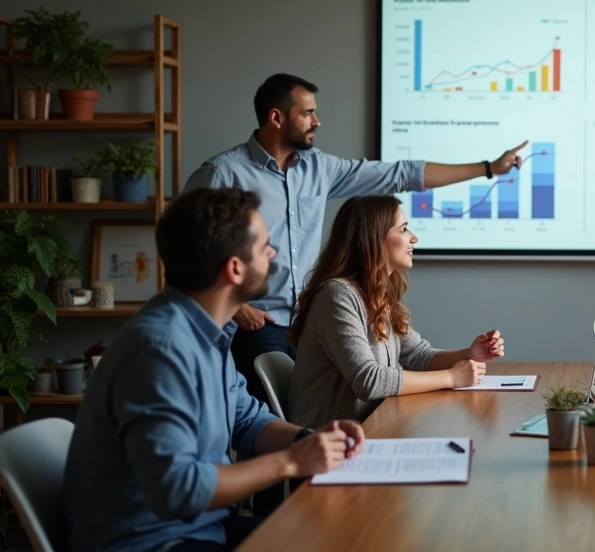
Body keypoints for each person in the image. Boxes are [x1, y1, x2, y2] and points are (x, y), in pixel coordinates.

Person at [183, 73, 526, 404]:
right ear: (276, 117)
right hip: (255, 328)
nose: (317, 121)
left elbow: (400, 174)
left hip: (304, 325)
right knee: (261, 437)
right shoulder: (223, 172)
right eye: (307, 113)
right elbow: (181, 245)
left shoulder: (318, 168)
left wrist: (487, 169)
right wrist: (239, 308)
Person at [62, 187, 366, 552]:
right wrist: (291, 461)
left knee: (346, 532)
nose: (273, 254)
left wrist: (311, 440)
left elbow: (247, 421)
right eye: (264, 247)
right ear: (234, 269)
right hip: (151, 541)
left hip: (204, 527)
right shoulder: (161, 349)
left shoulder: (209, 330)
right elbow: (178, 489)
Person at [287, 195, 506, 428]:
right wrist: (452, 377)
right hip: (327, 444)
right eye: (403, 230)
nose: (414, 238)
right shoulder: (337, 296)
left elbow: (417, 356)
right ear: (373, 239)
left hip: (372, 428)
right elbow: (369, 381)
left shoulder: (378, 293)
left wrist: (469, 353)